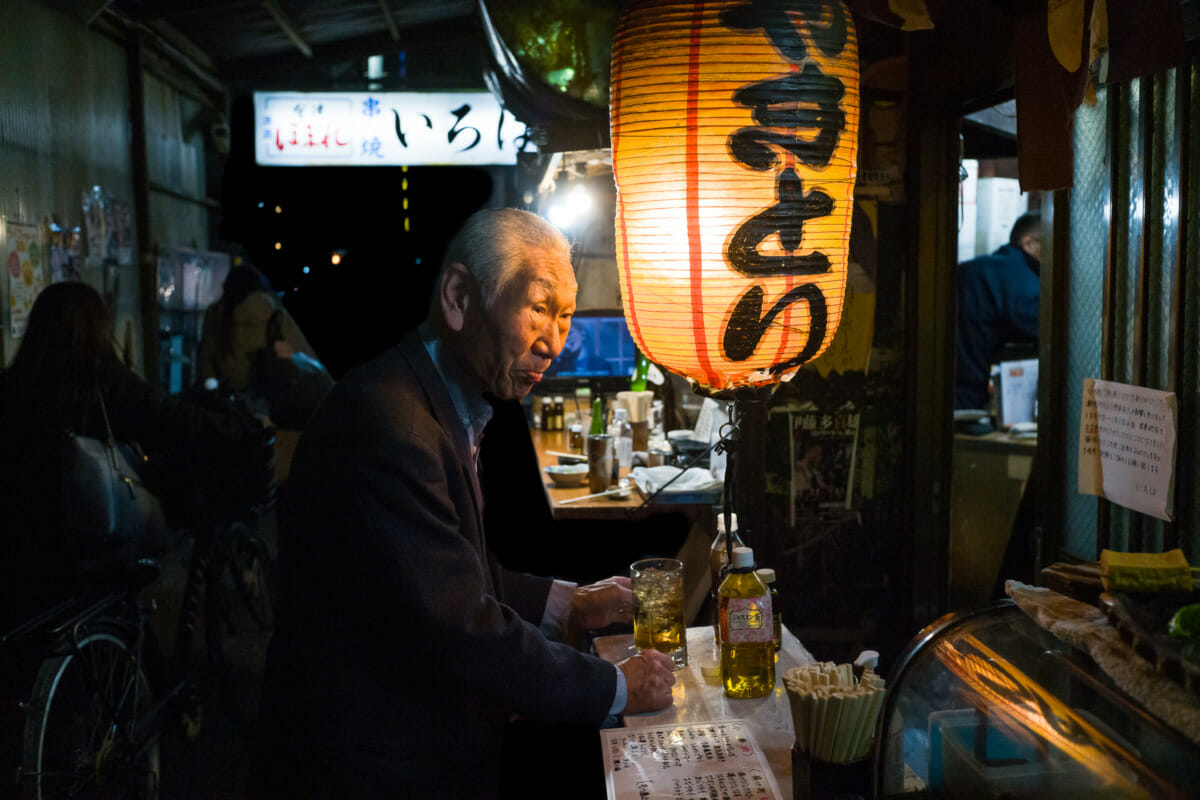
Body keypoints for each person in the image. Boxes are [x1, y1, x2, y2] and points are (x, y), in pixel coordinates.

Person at [251, 208, 675, 798]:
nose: (555, 342)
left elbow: (449, 573)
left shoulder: (431, 396)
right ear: (458, 297)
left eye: (566, 316)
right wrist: (615, 685)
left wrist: (569, 604)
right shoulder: (391, 424)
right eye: (538, 308)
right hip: (368, 762)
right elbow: (459, 624)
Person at [0, 281, 270, 625]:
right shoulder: (101, 382)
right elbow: (170, 419)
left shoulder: (11, 386)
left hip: (19, 547)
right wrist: (242, 430)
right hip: (85, 539)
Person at [196, 261, 324, 398]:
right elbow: (306, 358)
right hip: (266, 401)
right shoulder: (274, 316)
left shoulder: (215, 315)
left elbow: (205, 360)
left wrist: (213, 389)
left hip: (227, 400)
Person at [954, 211, 1042, 410]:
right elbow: (1048, 330)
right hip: (974, 393)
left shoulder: (976, 268)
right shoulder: (1020, 279)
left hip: (941, 385)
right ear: (1029, 243)